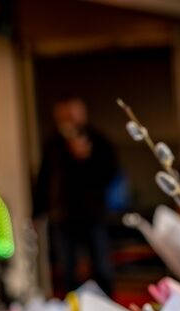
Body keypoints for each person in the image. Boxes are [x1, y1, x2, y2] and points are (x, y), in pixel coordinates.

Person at [32, 96, 120, 294]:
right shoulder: (54, 144)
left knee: (101, 263)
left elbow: (110, 172)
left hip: (93, 213)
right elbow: (45, 179)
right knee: (68, 267)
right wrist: (38, 212)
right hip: (64, 214)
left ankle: (107, 304)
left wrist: (86, 159)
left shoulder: (97, 140)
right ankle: (73, 308)